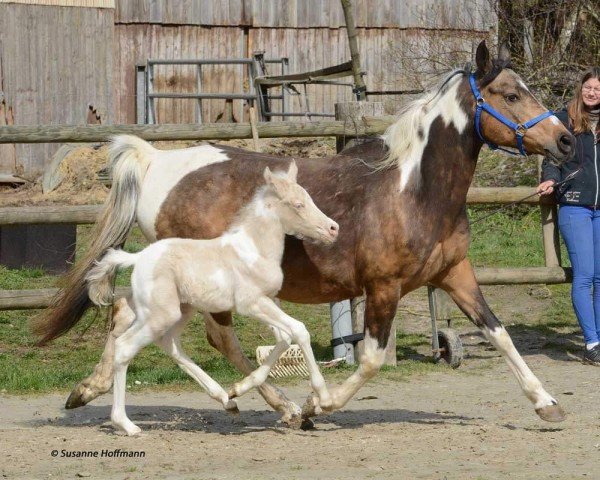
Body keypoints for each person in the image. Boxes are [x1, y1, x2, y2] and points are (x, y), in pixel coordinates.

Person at [537, 67, 600, 364]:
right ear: (581, 88)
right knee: (585, 276)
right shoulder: (564, 119)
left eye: (597, 89)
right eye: (589, 87)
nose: (593, 92)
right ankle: (591, 343)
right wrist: (550, 178)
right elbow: (552, 155)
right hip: (575, 205)